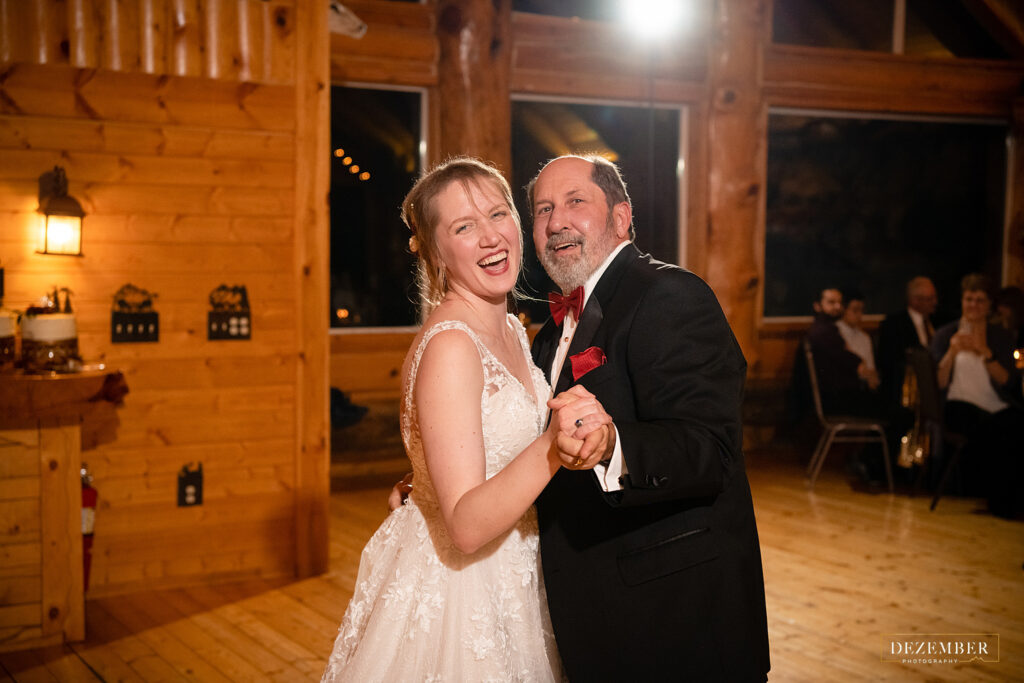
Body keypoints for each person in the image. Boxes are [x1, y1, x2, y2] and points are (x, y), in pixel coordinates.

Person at [321, 158, 614, 681]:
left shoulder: (509, 329)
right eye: (463, 227)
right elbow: (465, 526)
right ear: (435, 253)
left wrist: (424, 479)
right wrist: (554, 445)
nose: (490, 237)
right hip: (463, 594)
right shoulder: (453, 345)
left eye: (498, 214)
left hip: (518, 582)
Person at [526, 155, 769, 681]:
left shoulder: (668, 294)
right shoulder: (548, 332)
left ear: (620, 217)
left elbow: (710, 448)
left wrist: (614, 443)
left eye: (575, 202)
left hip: (677, 620)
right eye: (543, 209)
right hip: (598, 611)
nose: (556, 221)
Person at [931, 273, 1023, 519]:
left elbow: (1007, 380)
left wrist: (985, 353)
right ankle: (1002, 504)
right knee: (1005, 429)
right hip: (957, 406)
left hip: (994, 404)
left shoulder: (1000, 336)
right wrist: (952, 352)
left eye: (980, 300)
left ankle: (1010, 500)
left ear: (989, 305)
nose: (973, 305)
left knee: (1014, 422)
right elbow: (937, 383)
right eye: (969, 299)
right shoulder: (945, 334)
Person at [806, 287, 879, 412]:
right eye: (831, 303)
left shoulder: (829, 330)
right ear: (817, 306)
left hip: (844, 395)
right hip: (837, 400)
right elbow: (852, 364)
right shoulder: (823, 332)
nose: (837, 307)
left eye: (840, 303)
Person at [877, 276, 938, 409]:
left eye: (934, 297)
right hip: (906, 387)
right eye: (929, 299)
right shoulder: (894, 324)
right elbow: (889, 361)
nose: (935, 302)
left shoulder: (939, 321)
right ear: (914, 300)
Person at [836, 288, 876, 375]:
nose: (859, 315)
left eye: (861, 310)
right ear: (843, 309)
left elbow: (871, 370)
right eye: (855, 310)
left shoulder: (865, 338)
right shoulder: (834, 333)